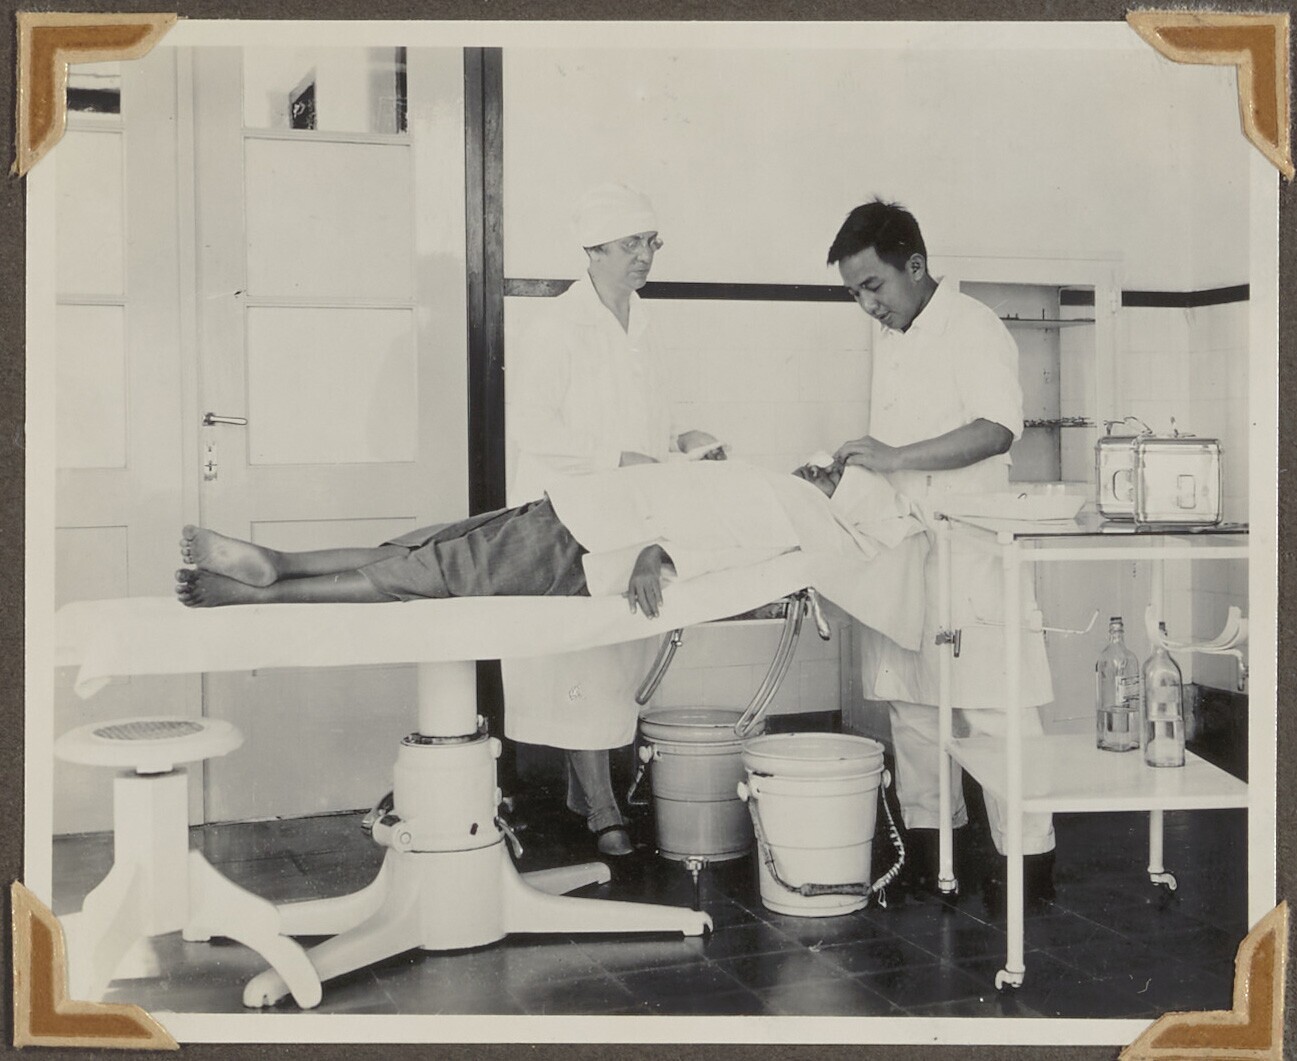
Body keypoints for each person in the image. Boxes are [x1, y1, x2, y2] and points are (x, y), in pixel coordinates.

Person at [826, 199, 1056, 909]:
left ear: (916, 266)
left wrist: (893, 456)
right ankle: (933, 855)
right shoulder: (891, 339)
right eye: (855, 293)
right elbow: (892, 456)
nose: (867, 305)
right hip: (910, 549)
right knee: (914, 709)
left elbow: (996, 429)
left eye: (873, 286)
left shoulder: (973, 326)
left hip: (973, 552)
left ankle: (1027, 864)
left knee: (995, 710)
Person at [503, 183, 719, 857]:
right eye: (630, 245)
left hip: (629, 507)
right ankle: (601, 805)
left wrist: (685, 438)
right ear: (593, 250)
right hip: (567, 512)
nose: (644, 256)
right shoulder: (556, 327)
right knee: (582, 656)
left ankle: (588, 791)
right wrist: (612, 456)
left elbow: (656, 417)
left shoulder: (643, 325)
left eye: (650, 243)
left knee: (617, 651)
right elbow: (532, 426)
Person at [173, 460, 843, 611]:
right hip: (576, 514)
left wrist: (656, 555)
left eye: (837, 470)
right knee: (423, 550)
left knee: (428, 571)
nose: (823, 467)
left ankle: (268, 586)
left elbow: (724, 549)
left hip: (584, 543)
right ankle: (275, 565)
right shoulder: (776, 486)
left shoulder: (799, 513)